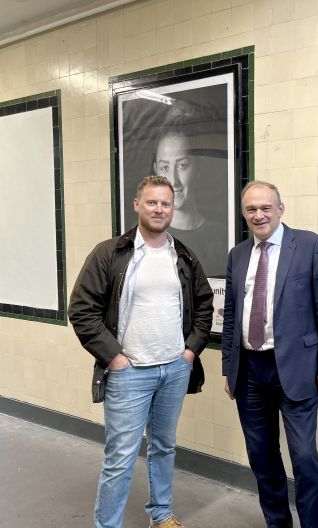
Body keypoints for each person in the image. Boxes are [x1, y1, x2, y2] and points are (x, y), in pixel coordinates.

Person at [68, 175, 214, 528]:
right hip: (129, 374)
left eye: (165, 203)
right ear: (137, 205)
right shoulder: (111, 253)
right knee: (120, 458)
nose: (159, 209)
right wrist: (115, 359)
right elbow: (81, 309)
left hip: (173, 370)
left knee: (164, 447)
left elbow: (205, 305)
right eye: (152, 202)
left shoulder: (184, 255)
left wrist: (190, 352)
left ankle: (161, 514)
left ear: (172, 209)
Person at [222, 181, 318, 528]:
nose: (259, 215)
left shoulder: (309, 246)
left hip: (298, 369)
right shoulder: (238, 254)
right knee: (262, 457)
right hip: (249, 371)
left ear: (280, 209)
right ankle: (277, 523)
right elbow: (231, 315)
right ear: (244, 214)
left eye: (265, 208)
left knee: (304, 457)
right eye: (251, 209)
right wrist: (230, 369)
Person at [153, 102, 227, 277]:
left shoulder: (221, 237)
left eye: (182, 165)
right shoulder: (143, 236)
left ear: (198, 168)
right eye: (165, 168)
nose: (173, 180)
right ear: (156, 171)